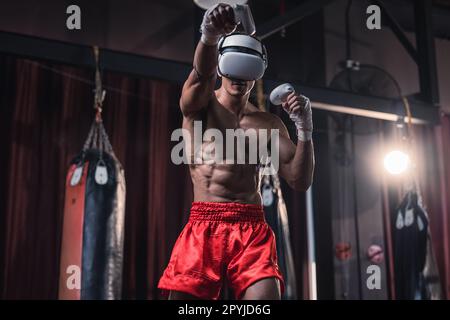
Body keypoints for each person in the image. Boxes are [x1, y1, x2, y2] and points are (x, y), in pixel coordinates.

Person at [158, 3, 314, 300]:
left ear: (259, 70)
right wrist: (209, 36)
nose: (239, 78)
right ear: (221, 65)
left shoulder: (268, 123)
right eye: (233, 67)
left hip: (251, 226)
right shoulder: (200, 106)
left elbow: (299, 180)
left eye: (247, 69)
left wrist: (305, 130)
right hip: (205, 223)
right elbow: (201, 75)